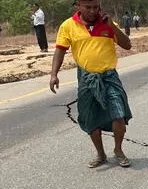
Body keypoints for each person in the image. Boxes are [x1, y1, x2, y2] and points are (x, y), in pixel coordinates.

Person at [49, 0, 133, 168]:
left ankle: (118, 150)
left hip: (109, 76)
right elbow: (60, 50)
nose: (93, 11)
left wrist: (113, 27)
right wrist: (54, 74)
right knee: (90, 117)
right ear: (77, 6)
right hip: (86, 78)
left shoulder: (108, 23)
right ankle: (101, 154)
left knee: (119, 114)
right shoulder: (68, 26)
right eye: (88, 7)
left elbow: (127, 45)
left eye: (96, 7)